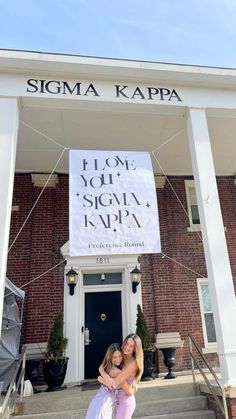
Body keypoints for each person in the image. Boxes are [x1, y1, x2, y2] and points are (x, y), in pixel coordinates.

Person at [98, 333, 144, 419]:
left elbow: (113, 384)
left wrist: (101, 379)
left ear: (135, 349)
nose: (127, 347)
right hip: (115, 399)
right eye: (126, 343)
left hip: (125, 402)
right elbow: (103, 366)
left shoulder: (133, 364)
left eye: (131, 346)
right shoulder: (121, 356)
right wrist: (102, 372)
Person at [85, 342, 135, 419]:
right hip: (104, 404)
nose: (118, 359)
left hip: (99, 401)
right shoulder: (116, 371)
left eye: (119, 356)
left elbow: (101, 368)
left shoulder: (106, 367)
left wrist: (101, 379)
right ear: (110, 358)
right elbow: (128, 391)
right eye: (114, 357)